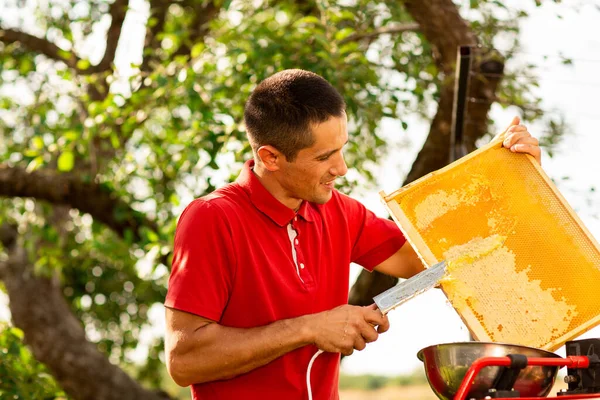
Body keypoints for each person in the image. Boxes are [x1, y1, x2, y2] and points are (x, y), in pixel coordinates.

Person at [164, 69, 542, 399]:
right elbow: (184, 361)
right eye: (324, 157)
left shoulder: (339, 211)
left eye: (342, 149)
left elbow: (436, 261)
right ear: (270, 158)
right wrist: (309, 328)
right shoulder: (212, 218)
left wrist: (517, 185)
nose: (341, 168)